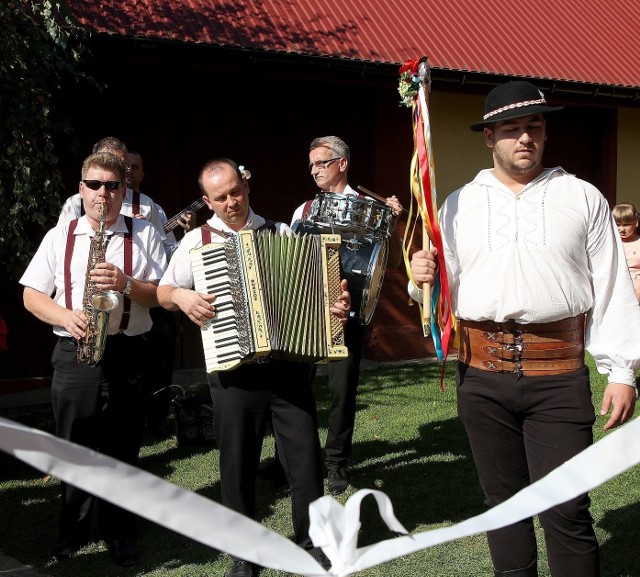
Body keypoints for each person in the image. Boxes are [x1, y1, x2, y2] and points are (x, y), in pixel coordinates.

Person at [408, 80, 640, 577]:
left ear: (545, 131)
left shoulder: (582, 197)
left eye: (533, 126)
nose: (524, 138)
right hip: (481, 374)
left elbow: (613, 288)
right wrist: (421, 277)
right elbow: (440, 294)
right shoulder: (456, 204)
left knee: (566, 509)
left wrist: (622, 370)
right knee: (503, 508)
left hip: (557, 375)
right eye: (511, 129)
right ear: (489, 137)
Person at [157, 158, 351, 577]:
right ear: (208, 201)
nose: (231, 202)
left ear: (245, 185)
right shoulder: (196, 242)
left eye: (235, 191)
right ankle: (245, 552)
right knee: (237, 462)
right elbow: (163, 290)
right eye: (220, 197)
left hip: (286, 366)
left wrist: (336, 305)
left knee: (303, 460)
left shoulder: (280, 232)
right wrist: (184, 298)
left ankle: (311, 542)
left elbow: (321, 295)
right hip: (232, 370)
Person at [20, 151, 167, 567]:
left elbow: (160, 295)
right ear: (81, 188)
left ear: (124, 189)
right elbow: (31, 295)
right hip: (75, 351)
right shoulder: (59, 236)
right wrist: (66, 315)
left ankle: (119, 532)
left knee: (123, 447)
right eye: (95, 185)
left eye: (113, 185)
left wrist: (125, 284)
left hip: (128, 351)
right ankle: (72, 531)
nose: (104, 193)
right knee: (72, 448)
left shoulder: (145, 233)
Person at [289, 135, 403, 496]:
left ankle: (336, 462)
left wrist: (394, 225)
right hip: (306, 311)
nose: (314, 171)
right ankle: (293, 459)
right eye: (311, 165)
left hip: (347, 312)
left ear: (342, 163)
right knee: (296, 387)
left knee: (342, 390)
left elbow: (393, 264)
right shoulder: (303, 211)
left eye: (321, 163)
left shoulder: (373, 207)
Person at [127, 148, 195, 437]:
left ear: (143, 173)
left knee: (161, 356)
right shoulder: (105, 204)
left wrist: (186, 234)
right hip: (123, 293)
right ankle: (130, 418)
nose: (129, 171)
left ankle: (156, 420)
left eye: (135, 166)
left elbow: (168, 251)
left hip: (154, 291)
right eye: (125, 166)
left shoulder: (153, 208)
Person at [612, 202, 640, 301]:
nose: (621, 229)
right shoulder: (610, 243)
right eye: (618, 225)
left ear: (636, 222)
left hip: (636, 289)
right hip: (614, 286)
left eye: (626, 225)